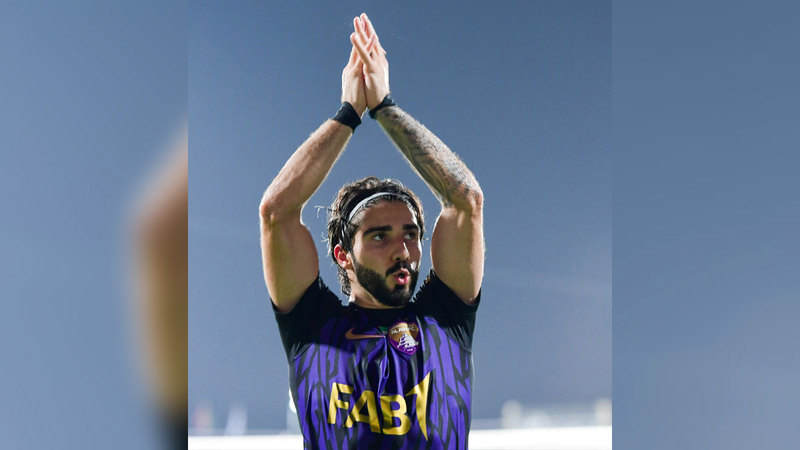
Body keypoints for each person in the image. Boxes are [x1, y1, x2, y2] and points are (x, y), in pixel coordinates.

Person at [259, 13, 484, 449]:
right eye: (380, 235)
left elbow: (466, 201)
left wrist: (385, 108)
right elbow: (276, 212)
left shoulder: (444, 321)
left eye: (410, 233)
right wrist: (349, 114)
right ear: (343, 254)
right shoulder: (313, 326)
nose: (403, 249)